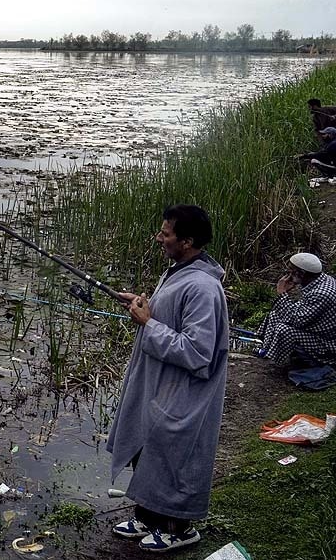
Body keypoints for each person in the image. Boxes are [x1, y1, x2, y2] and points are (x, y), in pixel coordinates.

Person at [107, 204, 228, 553]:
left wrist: (148, 323)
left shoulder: (204, 288)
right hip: (159, 381)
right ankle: (147, 515)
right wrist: (146, 307)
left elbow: (197, 352)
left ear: (187, 241)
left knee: (174, 454)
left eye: (165, 233)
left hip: (185, 391)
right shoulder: (180, 270)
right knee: (147, 445)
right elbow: (172, 320)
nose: (159, 238)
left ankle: (180, 528)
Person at [254, 252, 336, 367]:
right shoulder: (320, 280)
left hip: (326, 346)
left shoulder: (321, 294)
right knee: (275, 314)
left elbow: (297, 321)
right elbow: (298, 311)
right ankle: (266, 349)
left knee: (284, 330)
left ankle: (277, 363)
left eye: (290, 272)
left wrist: (282, 294)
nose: (287, 276)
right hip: (314, 331)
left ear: (301, 274)